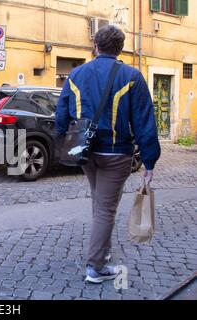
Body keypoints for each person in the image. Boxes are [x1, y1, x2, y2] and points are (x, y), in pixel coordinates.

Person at [55, 25, 161, 283]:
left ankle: (101, 255)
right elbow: (144, 121)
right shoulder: (132, 76)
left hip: (85, 153)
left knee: (99, 204)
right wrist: (149, 160)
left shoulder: (76, 74)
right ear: (120, 48)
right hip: (116, 154)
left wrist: (62, 142)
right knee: (105, 209)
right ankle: (95, 267)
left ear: (96, 46)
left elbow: (61, 116)